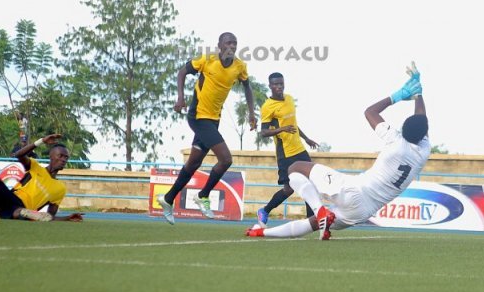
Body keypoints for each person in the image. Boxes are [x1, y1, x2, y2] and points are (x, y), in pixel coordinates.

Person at [246, 62, 428, 241]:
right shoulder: (423, 151)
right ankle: (263, 233)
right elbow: (422, 119)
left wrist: (398, 96)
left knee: (295, 168)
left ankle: (320, 210)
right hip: (363, 212)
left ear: (402, 130)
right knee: (312, 224)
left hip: (353, 191)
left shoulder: (395, 140)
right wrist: (418, 94)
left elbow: (370, 112)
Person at [157, 32, 256, 224]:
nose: (232, 46)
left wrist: (252, 113)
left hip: (213, 120)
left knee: (194, 163)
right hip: (198, 116)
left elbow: (247, 87)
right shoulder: (207, 59)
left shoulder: (239, 66)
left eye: (235, 44)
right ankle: (203, 196)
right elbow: (182, 72)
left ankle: (168, 199)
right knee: (226, 159)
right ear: (219, 45)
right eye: (228, 43)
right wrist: (180, 97)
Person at [255, 72, 319, 227]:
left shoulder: (289, 99)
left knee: (310, 183)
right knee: (289, 189)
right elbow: (263, 132)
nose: (279, 87)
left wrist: (306, 138)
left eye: (281, 84)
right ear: (270, 86)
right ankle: (265, 210)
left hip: (300, 149)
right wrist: (281, 129)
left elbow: (293, 124)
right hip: (285, 153)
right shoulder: (268, 107)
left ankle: (312, 221)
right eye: (275, 84)